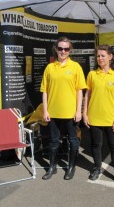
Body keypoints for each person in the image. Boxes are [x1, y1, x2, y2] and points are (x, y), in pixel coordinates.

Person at [82, 44, 114, 187]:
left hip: (111, 118)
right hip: (94, 117)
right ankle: (97, 168)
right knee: (96, 145)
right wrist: (85, 114)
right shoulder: (92, 75)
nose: (100, 58)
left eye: (103, 55)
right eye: (98, 56)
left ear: (110, 57)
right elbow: (87, 95)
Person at [40, 37, 87, 180]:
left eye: (66, 49)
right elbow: (45, 91)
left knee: (73, 140)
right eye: (60, 48)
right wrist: (45, 110)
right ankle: (52, 167)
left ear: (69, 50)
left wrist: (79, 110)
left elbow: (80, 90)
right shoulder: (50, 67)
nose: (63, 51)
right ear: (56, 49)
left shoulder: (76, 67)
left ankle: (71, 167)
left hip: (71, 112)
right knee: (53, 140)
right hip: (53, 112)